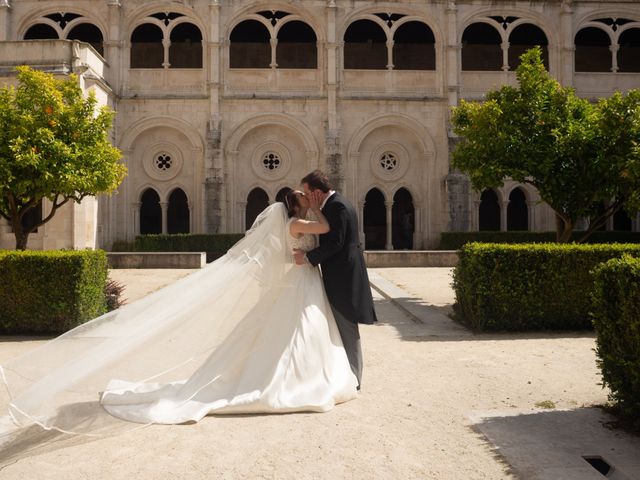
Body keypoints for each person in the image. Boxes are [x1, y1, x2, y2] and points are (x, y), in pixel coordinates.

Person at [0, 191, 357, 434]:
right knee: (296, 333)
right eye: (303, 199)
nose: (308, 201)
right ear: (297, 208)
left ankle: (300, 375)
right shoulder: (300, 223)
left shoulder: (289, 223)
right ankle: (299, 380)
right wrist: (320, 208)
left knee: (294, 333)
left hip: (302, 282)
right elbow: (325, 229)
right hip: (300, 281)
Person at [294, 170, 377, 389]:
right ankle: (348, 375)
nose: (307, 197)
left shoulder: (337, 206)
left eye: (307, 193)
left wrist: (309, 257)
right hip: (341, 274)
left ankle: (355, 379)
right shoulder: (335, 204)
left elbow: (336, 243)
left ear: (317, 192)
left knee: (348, 328)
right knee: (341, 328)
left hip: (343, 277)